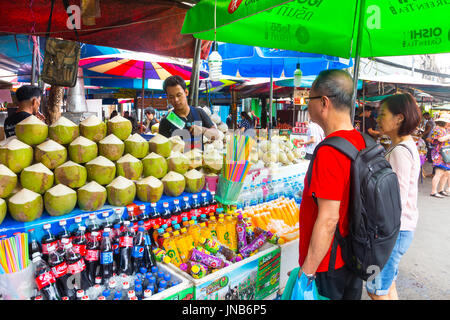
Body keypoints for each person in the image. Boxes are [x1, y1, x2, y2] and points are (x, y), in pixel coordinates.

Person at [298, 69, 365, 300]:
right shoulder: (361, 140)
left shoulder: (330, 151)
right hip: (353, 257)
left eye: (310, 100)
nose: (308, 106)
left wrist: (306, 273)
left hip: (328, 264)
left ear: (324, 102)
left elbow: (328, 220)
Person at [366, 93, 421, 300]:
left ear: (399, 118)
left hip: (391, 232)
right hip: (399, 229)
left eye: (382, 114)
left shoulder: (400, 151)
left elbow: (393, 199)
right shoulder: (403, 146)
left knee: (376, 290)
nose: (377, 119)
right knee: (387, 286)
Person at [158, 75, 219, 150]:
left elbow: (216, 135)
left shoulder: (199, 112)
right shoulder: (166, 121)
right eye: (171, 97)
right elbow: (162, 148)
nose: (176, 100)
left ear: (186, 92)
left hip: (198, 160)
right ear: (167, 97)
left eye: (179, 95)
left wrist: (203, 130)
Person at [428, 114, 450, 198]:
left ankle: (441, 190)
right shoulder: (437, 129)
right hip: (439, 153)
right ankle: (433, 191)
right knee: (439, 173)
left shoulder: (445, 129)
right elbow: (440, 139)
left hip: (446, 153)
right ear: (443, 122)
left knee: (445, 173)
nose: (448, 124)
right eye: (447, 122)